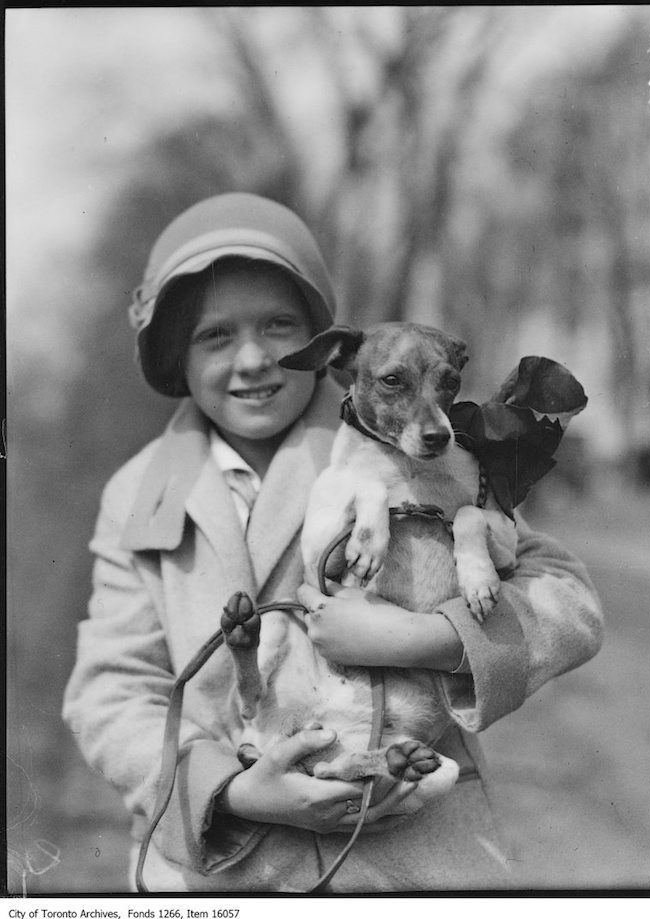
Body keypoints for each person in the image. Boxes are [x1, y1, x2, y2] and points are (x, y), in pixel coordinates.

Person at [62, 192, 604, 893]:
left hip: (414, 861)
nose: (255, 359)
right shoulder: (139, 490)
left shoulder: (402, 442)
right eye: (215, 336)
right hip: (221, 869)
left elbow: (568, 600)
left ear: (321, 342)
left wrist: (428, 638)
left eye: (279, 326)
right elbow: (110, 688)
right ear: (173, 353)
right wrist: (229, 789)